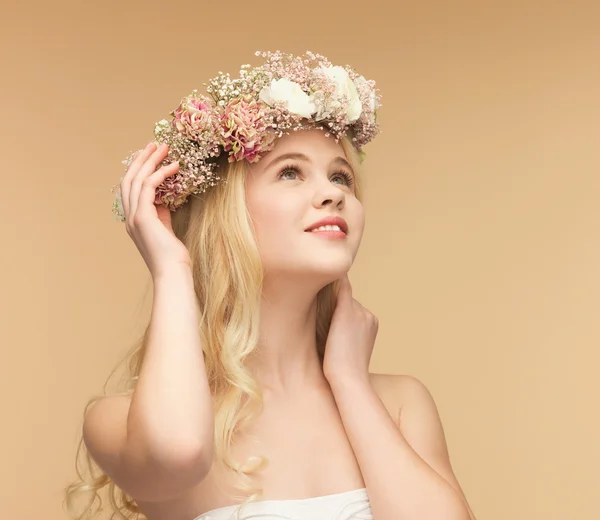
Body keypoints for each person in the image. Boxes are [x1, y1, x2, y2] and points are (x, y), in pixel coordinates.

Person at [64, 51, 476, 520]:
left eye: (340, 175)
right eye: (290, 172)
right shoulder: (120, 419)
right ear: (225, 216)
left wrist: (349, 382)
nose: (334, 192)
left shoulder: (400, 403)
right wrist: (172, 267)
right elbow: (177, 453)